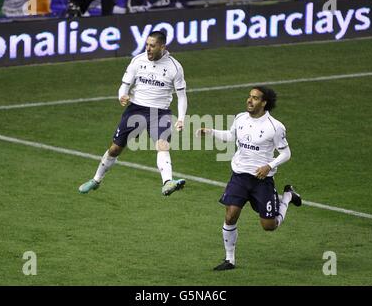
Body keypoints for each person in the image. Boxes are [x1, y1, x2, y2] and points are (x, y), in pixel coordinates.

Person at [196, 86, 302, 271]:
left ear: (264, 102)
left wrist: (269, 166)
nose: (249, 100)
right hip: (239, 176)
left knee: (269, 226)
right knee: (230, 215)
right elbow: (231, 136)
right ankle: (230, 260)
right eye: (249, 97)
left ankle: (288, 196)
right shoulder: (240, 118)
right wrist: (210, 131)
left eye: (255, 98)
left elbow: (286, 153)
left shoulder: (274, 127)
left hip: (262, 180)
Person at [79, 31, 187, 196]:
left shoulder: (175, 67)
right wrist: (122, 96)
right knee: (115, 149)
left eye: (152, 46)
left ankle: (167, 182)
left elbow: (182, 96)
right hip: (136, 109)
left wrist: (181, 119)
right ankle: (96, 180)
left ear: (162, 46)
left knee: (162, 145)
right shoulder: (138, 61)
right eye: (147, 45)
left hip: (160, 112)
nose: (148, 49)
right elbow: (124, 85)